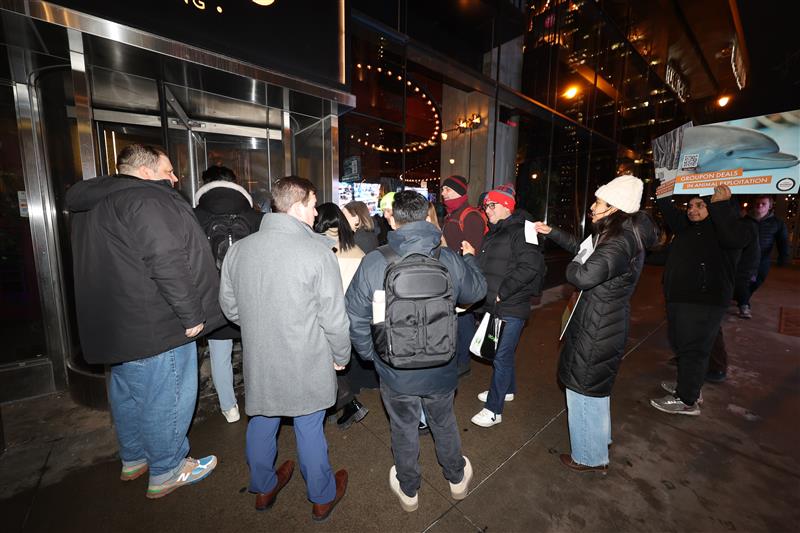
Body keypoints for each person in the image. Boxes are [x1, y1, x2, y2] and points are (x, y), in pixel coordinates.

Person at [66, 144, 223, 498]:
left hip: (117, 323)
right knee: (165, 395)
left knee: (128, 393)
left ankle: (135, 458)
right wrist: (191, 313)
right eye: (168, 171)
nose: (174, 178)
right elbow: (165, 259)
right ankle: (168, 468)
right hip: (156, 322)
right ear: (146, 170)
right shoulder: (147, 200)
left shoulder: (92, 203)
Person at [345, 191, 487, 512]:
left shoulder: (375, 261)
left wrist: (372, 354)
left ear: (392, 219)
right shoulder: (448, 257)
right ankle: (455, 477)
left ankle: (409, 490)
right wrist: (469, 259)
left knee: (403, 426)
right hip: (441, 365)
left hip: (395, 369)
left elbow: (354, 315)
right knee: (444, 420)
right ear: (426, 217)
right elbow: (477, 292)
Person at [219, 177, 350, 521]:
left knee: (262, 420)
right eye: (312, 204)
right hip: (306, 357)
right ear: (296, 207)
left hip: (260, 356)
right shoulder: (316, 252)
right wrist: (341, 355)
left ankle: (263, 487)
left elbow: (230, 308)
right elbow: (334, 318)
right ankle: (321, 496)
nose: (315, 211)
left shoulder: (240, 250)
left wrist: (260, 325)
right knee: (309, 426)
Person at [534, 174, 656, 473]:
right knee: (595, 388)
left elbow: (584, 274)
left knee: (582, 389)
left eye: (599, 202)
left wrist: (574, 266)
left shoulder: (619, 242)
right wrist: (554, 233)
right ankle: (599, 443)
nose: (592, 206)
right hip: (602, 320)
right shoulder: (619, 234)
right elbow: (583, 247)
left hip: (598, 325)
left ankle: (589, 457)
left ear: (614, 208)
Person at [650, 186, 745, 416]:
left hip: (703, 300)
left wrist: (720, 205)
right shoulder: (690, 229)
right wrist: (663, 190)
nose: (692, 210)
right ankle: (690, 386)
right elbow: (672, 215)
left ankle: (687, 400)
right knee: (683, 345)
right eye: (690, 206)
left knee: (694, 349)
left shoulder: (728, 230)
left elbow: (734, 237)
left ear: (713, 206)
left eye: (700, 205)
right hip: (682, 298)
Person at [470, 185, 546, 428]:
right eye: (485, 206)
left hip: (510, 305)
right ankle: (508, 390)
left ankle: (494, 410)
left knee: (501, 357)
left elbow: (529, 266)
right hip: (496, 304)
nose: (486, 210)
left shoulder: (522, 230)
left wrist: (503, 292)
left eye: (491, 205)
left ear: (505, 206)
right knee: (504, 352)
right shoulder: (496, 231)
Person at [194, 165, 263, 423]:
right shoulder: (255, 215)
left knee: (219, 355)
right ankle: (257, 400)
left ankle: (229, 408)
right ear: (235, 183)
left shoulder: (194, 216)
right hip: (251, 298)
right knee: (253, 351)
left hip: (213, 300)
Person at [314, 202, 372, 429]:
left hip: (327, 316)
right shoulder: (357, 251)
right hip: (350, 316)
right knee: (333, 364)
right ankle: (342, 403)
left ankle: (346, 403)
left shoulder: (322, 252)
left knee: (327, 365)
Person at [440, 175, 489, 377]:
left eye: (447, 190)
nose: (443, 193)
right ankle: (458, 358)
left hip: (464, 275)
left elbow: (473, 250)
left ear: (459, 192)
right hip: (451, 274)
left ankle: (464, 361)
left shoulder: (470, 216)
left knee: (464, 319)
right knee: (456, 318)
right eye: (442, 190)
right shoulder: (451, 215)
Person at [738, 195, 790, 317]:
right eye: (757, 203)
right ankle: (744, 304)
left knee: (757, 281)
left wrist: (784, 257)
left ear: (770, 206)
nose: (760, 205)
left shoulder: (777, 223)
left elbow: (783, 241)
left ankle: (743, 298)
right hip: (745, 258)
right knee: (743, 281)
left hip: (763, 259)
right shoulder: (745, 221)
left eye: (763, 203)